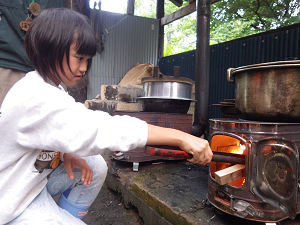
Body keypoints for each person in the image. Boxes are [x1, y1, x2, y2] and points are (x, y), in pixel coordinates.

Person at [0, 8, 212, 225]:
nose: (84, 68)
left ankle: (62, 217)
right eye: (79, 58)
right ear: (50, 50)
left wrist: (65, 152)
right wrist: (181, 137)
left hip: (30, 181)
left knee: (95, 165)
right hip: (11, 202)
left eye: (87, 60)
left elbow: (50, 132)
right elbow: (101, 128)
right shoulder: (36, 96)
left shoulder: (48, 87)